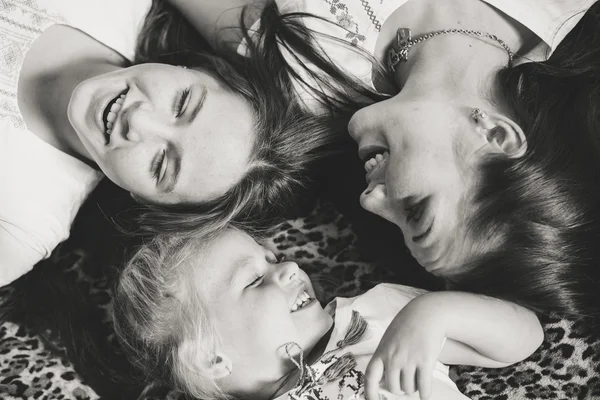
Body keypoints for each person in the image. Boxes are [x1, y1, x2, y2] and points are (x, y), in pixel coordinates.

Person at [167, 0, 600, 320]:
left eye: (397, 225)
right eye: (415, 209)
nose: (370, 202)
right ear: (496, 135)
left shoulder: (308, 80)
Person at [0, 0, 347, 286]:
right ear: (194, 68)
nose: (137, 120)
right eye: (182, 103)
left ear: (145, 200)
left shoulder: (20, 230)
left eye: (161, 164)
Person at [112, 227, 543, 400]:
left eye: (272, 258)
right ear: (211, 358)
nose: (289, 268)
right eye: (253, 281)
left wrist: (435, 313)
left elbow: (523, 341)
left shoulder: (378, 315)